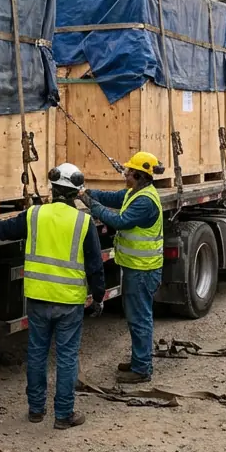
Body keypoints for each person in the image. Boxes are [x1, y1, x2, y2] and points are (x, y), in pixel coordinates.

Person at [0, 163, 105, 429]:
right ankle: (63, 415)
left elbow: (2, 230)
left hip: (37, 298)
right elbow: (95, 266)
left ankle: (36, 410)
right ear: (76, 192)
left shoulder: (34, 215)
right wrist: (99, 297)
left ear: (53, 189)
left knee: (37, 353)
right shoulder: (83, 221)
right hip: (69, 301)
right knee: (67, 357)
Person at [78, 151, 164, 384]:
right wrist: (86, 193)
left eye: (128, 171)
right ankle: (139, 361)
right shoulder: (134, 193)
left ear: (137, 174)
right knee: (136, 315)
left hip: (142, 270)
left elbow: (118, 221)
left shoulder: (145, 201)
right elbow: (113, 198)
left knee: (139, 318)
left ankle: (142, 368)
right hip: (136, 267)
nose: (124, 172)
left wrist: (91, 204)